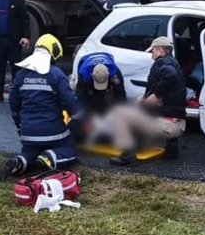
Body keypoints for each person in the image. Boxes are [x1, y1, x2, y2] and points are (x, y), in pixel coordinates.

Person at [0, 34, 85, 181]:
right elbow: (70, 102)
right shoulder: (56, 74)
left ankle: (18, 162)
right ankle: (48, 159)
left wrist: (19, 125)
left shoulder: (21, 74)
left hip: (28, 134)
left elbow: (13, 102)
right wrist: (80, 119)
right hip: (53, 132)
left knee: (29, 154)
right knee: (69, 149)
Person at [106, 36, 185, 165]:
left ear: (160, 50)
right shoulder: (174, 62)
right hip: (179, 125)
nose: (151, 55)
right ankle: (171, 150)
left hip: (168, 127)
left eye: (152, 51)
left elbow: (170, 75)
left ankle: (127, 157)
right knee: (140, 102)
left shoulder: (162, 63)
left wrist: (156, 95)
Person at [73, 51, 127, 117]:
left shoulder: (114, 72)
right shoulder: (84, 74)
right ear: (92, 75)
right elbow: (81, 96)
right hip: (86, 68)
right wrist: (88, 115)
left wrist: (121, 113)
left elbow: (120, 93)